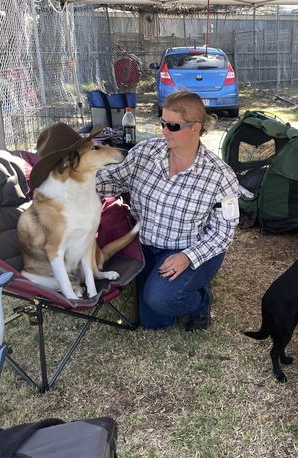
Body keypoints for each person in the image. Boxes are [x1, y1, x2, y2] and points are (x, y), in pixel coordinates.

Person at [96, 90, 239, 331]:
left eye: (172, 126)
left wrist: (188, 257)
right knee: (154, 322)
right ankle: (163, 287)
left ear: (195, 128)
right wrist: (72, 183)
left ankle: (201, 302)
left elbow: (223, 233)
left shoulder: (221, 176)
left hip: (188, 248)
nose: (163, 131)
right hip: (144, 245)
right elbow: (112, 180)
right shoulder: (145, 152)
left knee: (160, 300)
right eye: (162, 123)